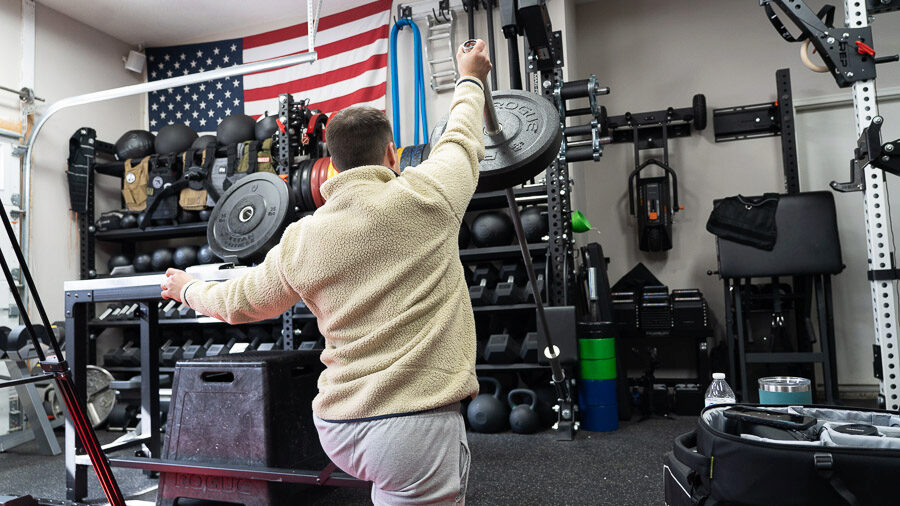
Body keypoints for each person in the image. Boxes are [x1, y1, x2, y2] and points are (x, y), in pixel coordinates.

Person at [160, 39, 493, 504]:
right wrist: (469, 76)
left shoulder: (302, 237)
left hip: (338, 427)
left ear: (331, 165)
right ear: (391, 156)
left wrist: (187, 288)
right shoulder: (428, 195)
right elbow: (460, 138)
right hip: (411, 425)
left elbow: (237, 303)